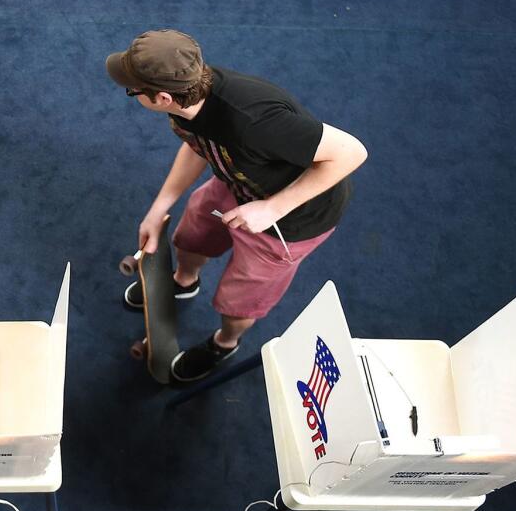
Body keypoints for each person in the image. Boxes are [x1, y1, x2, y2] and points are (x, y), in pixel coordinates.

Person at [105, 30, 367, 382]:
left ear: (162, 97)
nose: (132, 94)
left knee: (239, 298)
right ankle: (184, 281)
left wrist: (271, 208)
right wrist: (157, 209)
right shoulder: (189, 94)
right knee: (193, 232)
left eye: (132, 90)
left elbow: (351, 152)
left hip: (291, 219)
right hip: (237, 179)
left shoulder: (255, 122)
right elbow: (198, 144)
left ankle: (224, 343)